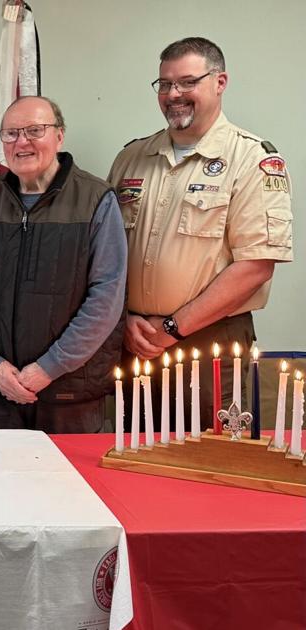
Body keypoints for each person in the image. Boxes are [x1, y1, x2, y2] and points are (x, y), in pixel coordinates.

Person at [108, 37, 293, 417]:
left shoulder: (252, 159)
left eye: (188, 82)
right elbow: (103, 253)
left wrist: (173, 327)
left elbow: (256, 265)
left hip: (209, 343)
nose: (174, 94)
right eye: (165, 84)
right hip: (133, 340)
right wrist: (123, 320)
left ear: (219, 82)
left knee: (206, 461)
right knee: (134, 458)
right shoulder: (132, 157)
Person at [0, 96, 127, 433]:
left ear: (59, 136)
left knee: (68, 485)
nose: (22, 142)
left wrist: (48, 368)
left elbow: (106, 297)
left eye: (34, 130)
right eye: (11, 133)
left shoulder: (96, 200)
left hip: (69, 392)